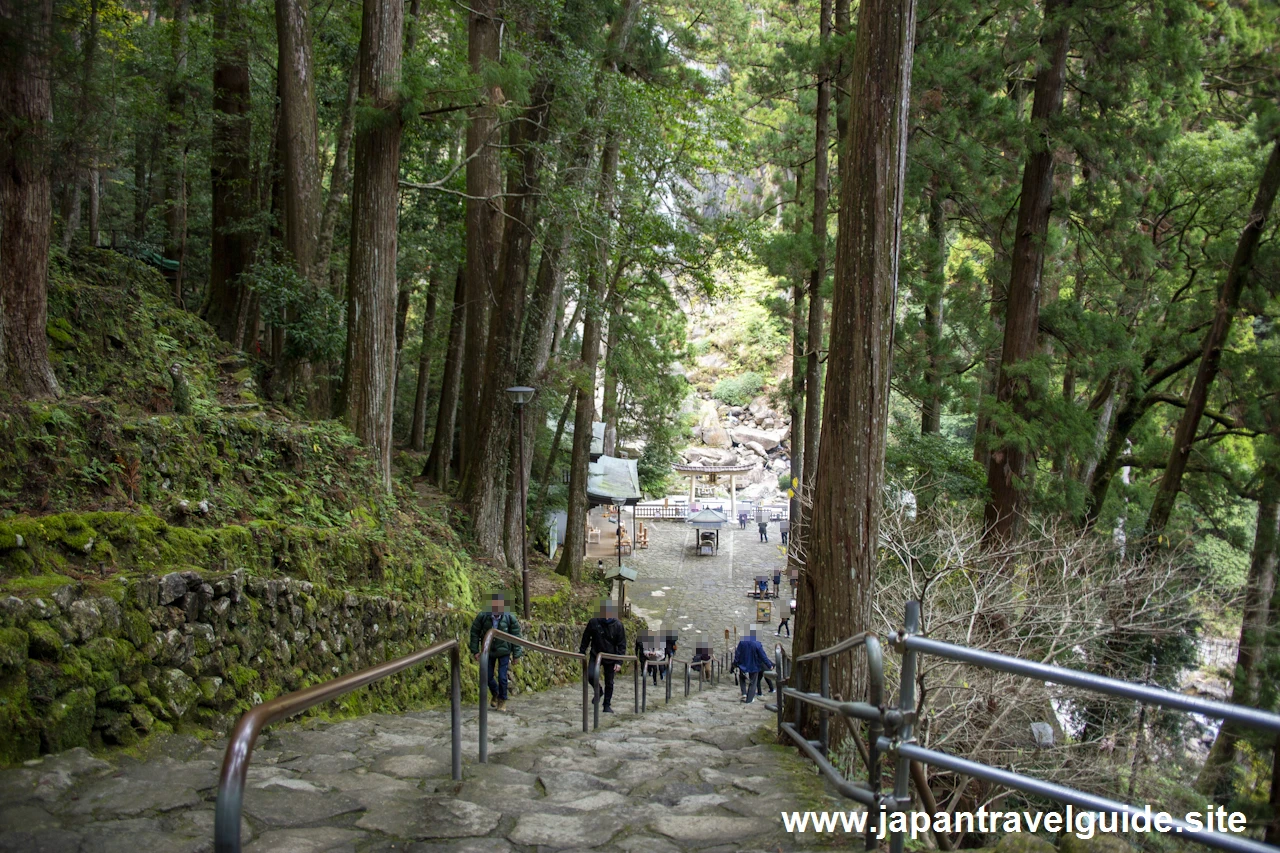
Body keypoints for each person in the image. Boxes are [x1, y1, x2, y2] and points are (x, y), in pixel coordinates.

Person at [468, 591, 524, 712]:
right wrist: (475, 650)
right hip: (488, 650)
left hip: (504, 651)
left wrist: (516, 655)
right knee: (487, 676)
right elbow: (474, 632)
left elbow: (516, 636)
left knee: (503, 677)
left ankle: (502, 700)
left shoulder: (509, 617)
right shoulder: (483, 616)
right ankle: (496, 692)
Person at [580, 599, 627, 713]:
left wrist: (619, 662)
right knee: (590, 675)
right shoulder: (594, 622)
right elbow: (586, 638)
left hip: (611, 656)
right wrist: (582, 652)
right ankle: (598, 690)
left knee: (609, 682)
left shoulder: (618, 625)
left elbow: (621, 645)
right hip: (596, 654)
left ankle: (607, 704)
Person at [733, 628, 774, 705]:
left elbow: (737, 653)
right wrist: (769, 665)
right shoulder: (757, 644)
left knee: (742, 678)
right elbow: (763, 656)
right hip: (754, 665)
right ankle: (749, 699)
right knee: (753, 682)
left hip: (743, 664)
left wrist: (735, 663)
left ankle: (744, 693)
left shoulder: (742, 642)